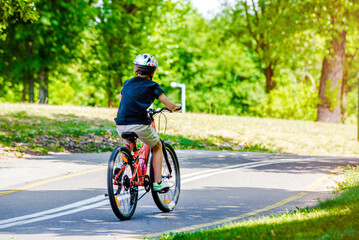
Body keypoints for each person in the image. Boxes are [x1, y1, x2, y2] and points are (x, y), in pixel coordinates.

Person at [115, 53, 181, 192]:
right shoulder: (152, 86)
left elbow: (121, 98)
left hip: (120, 123)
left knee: (128, 143)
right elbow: (168, 104)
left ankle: (121, 167)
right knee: (157, 146)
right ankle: (158, 182)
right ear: (153, 72)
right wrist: (176, 107)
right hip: (139, 123)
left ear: (135, 71)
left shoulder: (127, 83)